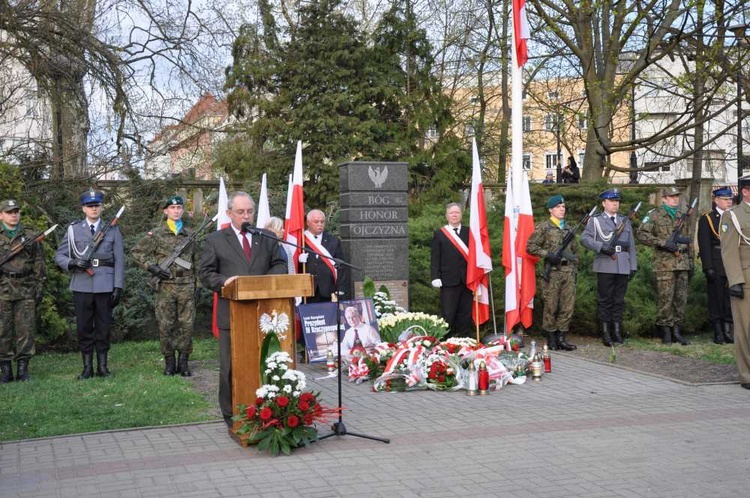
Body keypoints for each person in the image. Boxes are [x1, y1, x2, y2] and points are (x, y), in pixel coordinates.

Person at [199, 192, 287, 427]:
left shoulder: (266, 237)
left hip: (264, 313)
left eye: (249, 211)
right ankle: (232, 417)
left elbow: (280, 264)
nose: (246, 216)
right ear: (229, 214)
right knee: (230, 366)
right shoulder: (215, 240)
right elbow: (206, 273)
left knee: (264, 362)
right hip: (232, 315)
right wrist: (224, 283)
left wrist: (261, 283)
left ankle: (266, 410)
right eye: (241, 212)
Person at [55, 190, 125, 379]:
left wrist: (118, 286)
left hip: (105, 284)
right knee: (84, 327)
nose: (94, 209)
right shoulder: (73, 229)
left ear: (102, 207)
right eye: (90, 206)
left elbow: (119, 260)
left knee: (103, 326)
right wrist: (72, 263)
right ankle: (87, 367)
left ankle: (103, 367)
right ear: (83, 208)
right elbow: (59, 255)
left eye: (97, 205)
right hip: (82, 284)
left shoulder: (112, 230)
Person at [131, 195, 200, 377]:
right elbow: (137, 252)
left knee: (187, 324)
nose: (176, 211)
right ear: (166, 211)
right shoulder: (157, 233)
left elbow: (197, 262)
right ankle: (169, 361)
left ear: (182, 211)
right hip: (166, 286)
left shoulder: (190, 234)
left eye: (179, 207)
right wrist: (152, 267)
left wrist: (198, 286)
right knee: (165, 324)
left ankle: (184, 361)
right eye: (172, 208)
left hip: (186, 284)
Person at [635, 186, 692, 345]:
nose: (675, 199)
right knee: (665, 299)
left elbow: (688, 240)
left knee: (680, 299)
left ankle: (677, 330)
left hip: (682, 263)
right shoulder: (654, 215)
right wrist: (663, 243)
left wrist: (691, 261)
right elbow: (641, 234)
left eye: (676, 196)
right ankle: (665, 331)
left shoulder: (682, 216)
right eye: (671, 197)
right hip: (664, 264)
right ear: (664, 199)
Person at [581, 188, 637, 346]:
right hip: (605, 264)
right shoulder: (596, 220)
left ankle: (617, 331)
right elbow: (584, 239)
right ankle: (605, 332)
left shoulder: (624, 220)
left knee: (619, 300)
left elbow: (631, 244)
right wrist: (600, 246)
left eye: (617, 201)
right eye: (612, 201)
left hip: (623, 264)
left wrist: (633, 265)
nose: (615, 204)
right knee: (605, 300)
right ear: (604, 203)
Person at [0, 200, 46, 383]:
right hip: (2, 287)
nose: (14, 215)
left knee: (25, 330)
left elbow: (39, 262)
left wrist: (40, 285)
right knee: (2, 330)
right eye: (9, 212)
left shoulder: (30, 235)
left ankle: (22, 369)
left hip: (26, 287)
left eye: (16, 211)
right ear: (1, 215)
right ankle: (5, 369)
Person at [526, 194, 578, 351]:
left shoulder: (569, 228)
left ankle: (562, 337)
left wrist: (575, 269)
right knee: (551, 306)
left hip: (568, 272)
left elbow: (575, 252)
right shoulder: (544, 227)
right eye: (558, 207)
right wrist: (548, 255)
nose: (562, 209)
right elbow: (530, 246)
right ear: (551, 210)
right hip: (553, 273)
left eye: (563, 207)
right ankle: (551, 338)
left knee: (567, 307)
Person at [720, 176, 750, 390]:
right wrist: (735, 281)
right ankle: (747, 374)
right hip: (746, 280)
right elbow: (729, 250)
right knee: (745, 329)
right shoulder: (734, 216)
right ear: (746, 191)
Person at [698, 187, 734, 344]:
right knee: (716, 298)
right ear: (716, 200)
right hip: (716, 261)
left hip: (731, 263)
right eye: (725, 199)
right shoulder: (708, 218)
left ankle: (728, 331)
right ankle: (718, 331)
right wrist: (708, 267)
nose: (729, 202)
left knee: (729, 298)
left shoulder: (733, 217)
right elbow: (704, 244)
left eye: (730, 199)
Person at [430, 203, 472, 337]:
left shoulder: (469, 232)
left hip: (467, 280)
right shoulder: (440, 234)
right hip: (448, 280)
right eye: (451, 213)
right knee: (448, 313)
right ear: (447, 216)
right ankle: (447, 343)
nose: (454, 215)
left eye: (457, 212)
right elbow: (435, 257)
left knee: (465, 313)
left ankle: (464, 341)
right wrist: (435, 276)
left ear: (461, 215)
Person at [300, 209, 350, 302]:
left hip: (328, 290)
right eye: (316, 221)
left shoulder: (333, 241)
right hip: (306, 290)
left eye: (322, 222)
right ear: (308, 222)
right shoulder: (300, 240)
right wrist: (298, 261)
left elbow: (341, 265)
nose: (320, 224)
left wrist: (341, 289)